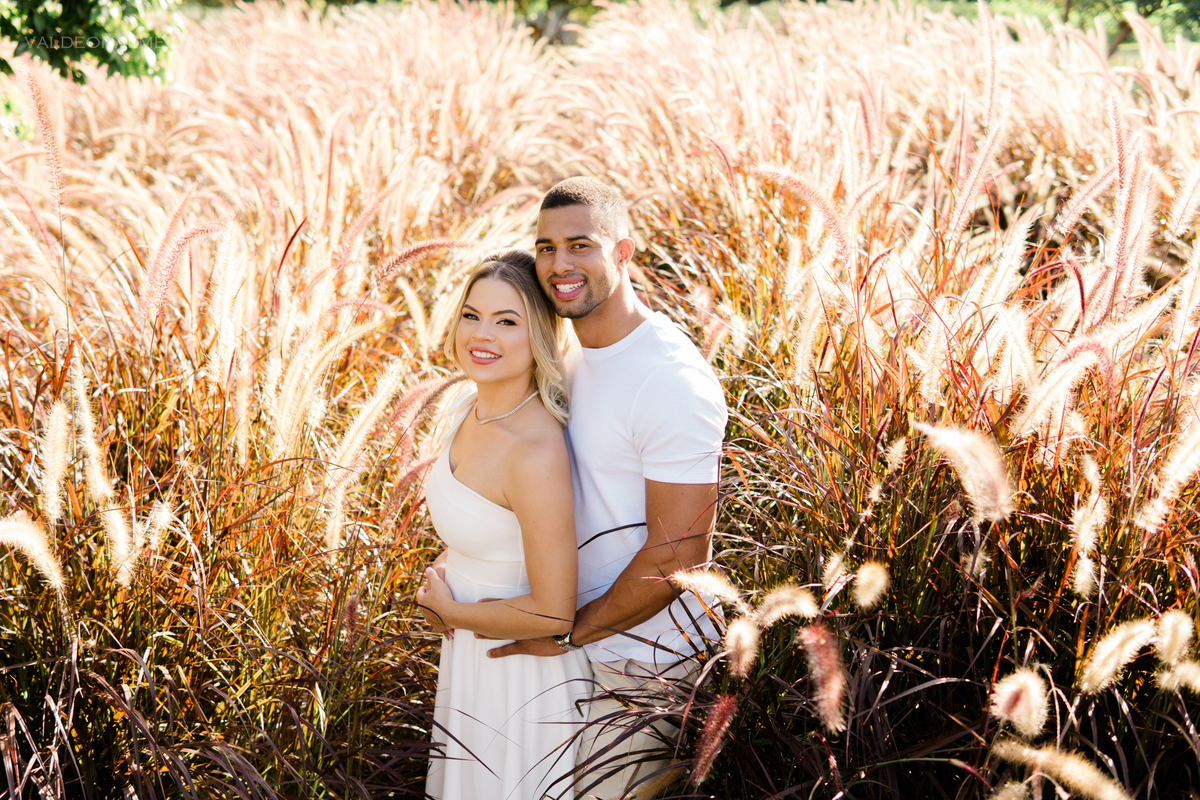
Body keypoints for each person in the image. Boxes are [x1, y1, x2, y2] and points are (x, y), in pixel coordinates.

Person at [485, 178, 728, 799]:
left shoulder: (668, 379)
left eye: (580, 245)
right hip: (575, 640)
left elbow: (679, 553)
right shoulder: (569, 355)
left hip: (645, 662)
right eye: (545, 248)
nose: (560, 265)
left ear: (623, 252)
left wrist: (572, 632)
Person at [416, 249, 593, 800]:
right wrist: (446, 566)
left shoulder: (533, 450)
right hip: (470, 659)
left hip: (519, 679)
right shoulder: (468, 407)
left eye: (506, 321)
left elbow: (552, 610)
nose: (481, 334)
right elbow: (487, 526)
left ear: (539, 333)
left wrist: (450, 611)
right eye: (471, 314)